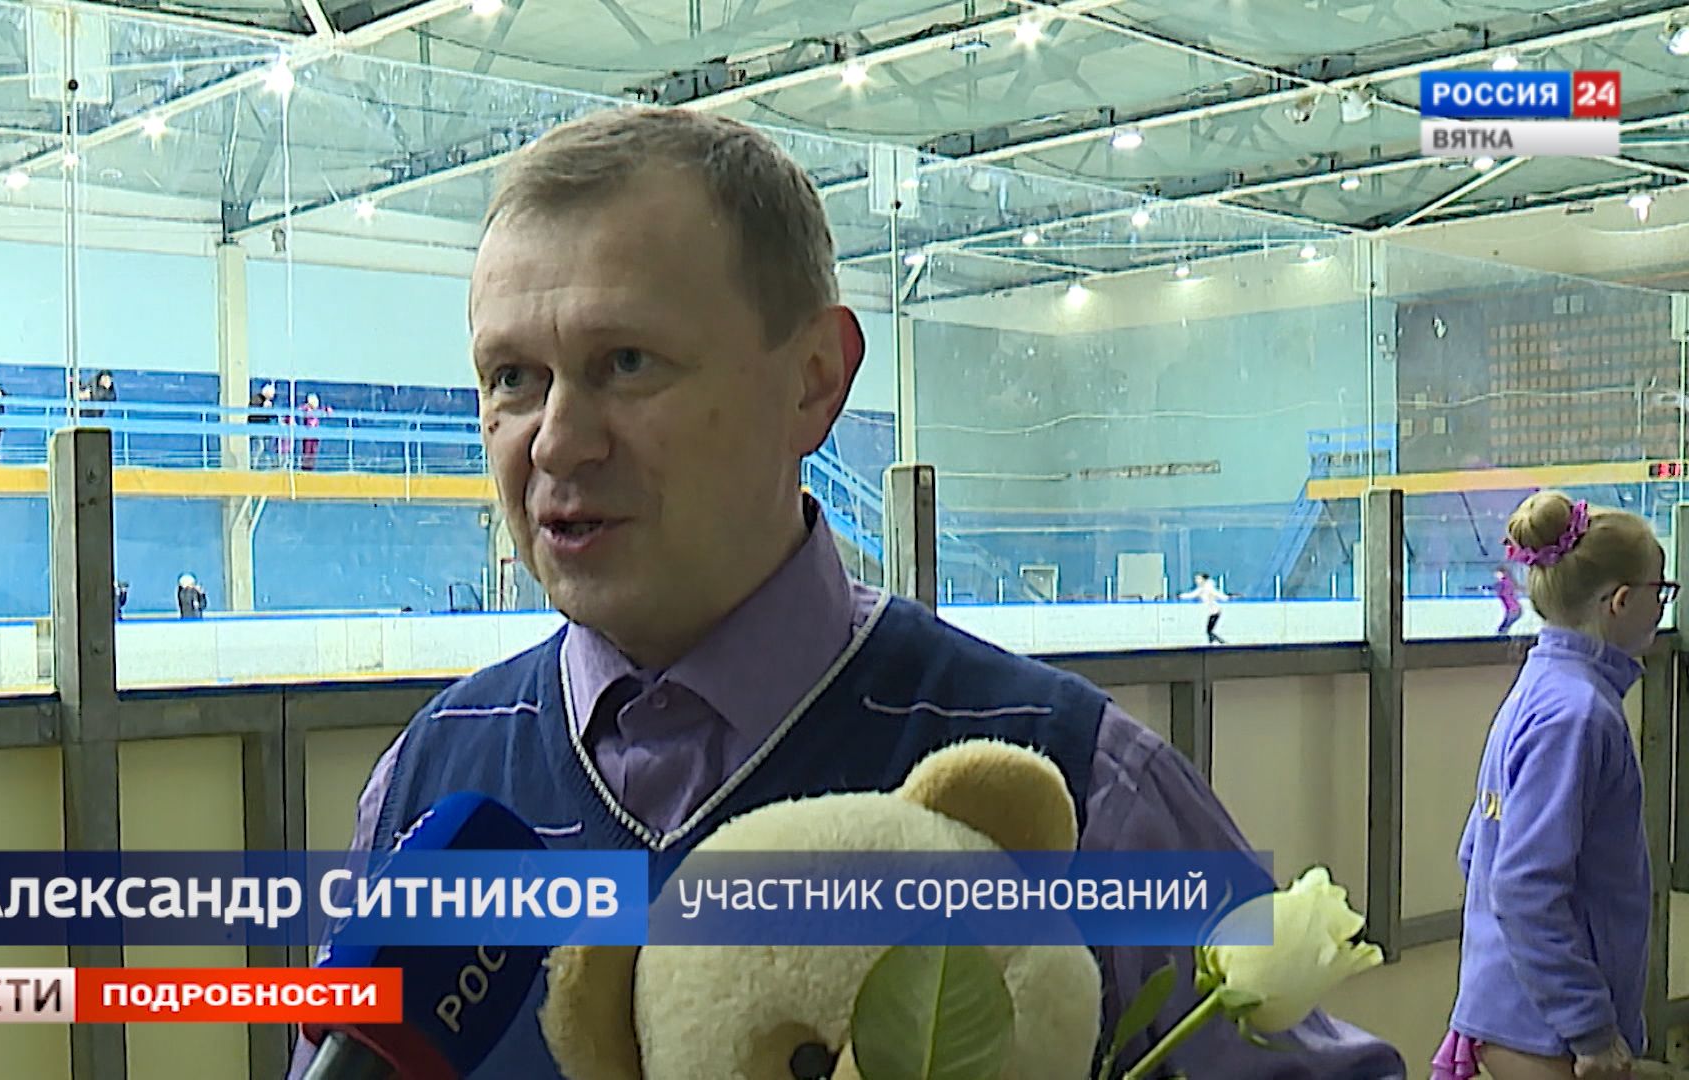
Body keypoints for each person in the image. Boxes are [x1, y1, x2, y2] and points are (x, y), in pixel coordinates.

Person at [285, 108, 1402, 1080]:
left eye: (626, 363)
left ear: (815, 381)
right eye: (512, 378)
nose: (556, 441)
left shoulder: (1074, 785)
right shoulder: (429, 786)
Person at [1432, 491, 1672, 1080]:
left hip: (1518, 1015)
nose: (1662, 608)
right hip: (1547, 1033)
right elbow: (1523, 886)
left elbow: (1478, 852)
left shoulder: (1540, 689)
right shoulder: (1578, 715)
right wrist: (1589, 1026)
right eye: (1660, 592)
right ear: (1621, 601)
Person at [1179, 570, 1230, 644]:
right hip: (1212, 612)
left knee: (1209, 631)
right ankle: (1214, 643)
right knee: (1209, 631)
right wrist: (1181, 596)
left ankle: (1221, 642)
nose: (1196, 580)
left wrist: (1225, 597)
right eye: (1196, 579)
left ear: (1203, 579)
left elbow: (1217, 594)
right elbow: (1192, 595)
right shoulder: (1201, 589)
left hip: (1216, 611)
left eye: (1198, 578)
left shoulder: (1208, 588)